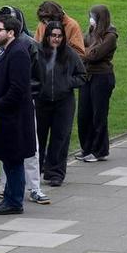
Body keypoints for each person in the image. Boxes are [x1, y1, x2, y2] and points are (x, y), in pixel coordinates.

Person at [0, 5, 50, 206]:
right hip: (6, 108)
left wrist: (5, 101)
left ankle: (32, 188)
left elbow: (32, 79)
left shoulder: (25, 47)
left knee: (25, 150)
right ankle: (7, 189)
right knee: (7, 153)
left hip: (18, 108)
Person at [0, 15, 37, 215]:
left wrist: (0, 104)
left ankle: (14, 201)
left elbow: (18, 87)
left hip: (12, 118)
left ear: (11, 32)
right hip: (7, 116)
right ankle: (10, 197)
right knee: (9, 160)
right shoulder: (10, 50)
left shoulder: (18, 53)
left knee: (13, 160)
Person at [36, 20, 85, 186]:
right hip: (42, 102)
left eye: (59, 36)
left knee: (60, 137)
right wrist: (37, 88)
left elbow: (82, 76)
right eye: (53, 36)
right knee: (39, 137)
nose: (56, 39)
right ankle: (36, 170)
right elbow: (31, 75)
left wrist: (66, 83)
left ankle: (55, 173)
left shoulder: (69, 54)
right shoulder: (38, 53)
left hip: (63, 102)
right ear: (47, 36)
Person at [77, 4, 117, 162]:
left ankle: (100, 150)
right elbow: (81, 48)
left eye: (93, 16)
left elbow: (94, 54)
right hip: (87, 76)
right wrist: (85, 52)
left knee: (98, 115)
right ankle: (87, 147)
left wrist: (84, 52)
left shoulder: (110, 35)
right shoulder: (91, 32)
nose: (91, 19)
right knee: (84, 114)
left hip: (102, 77)